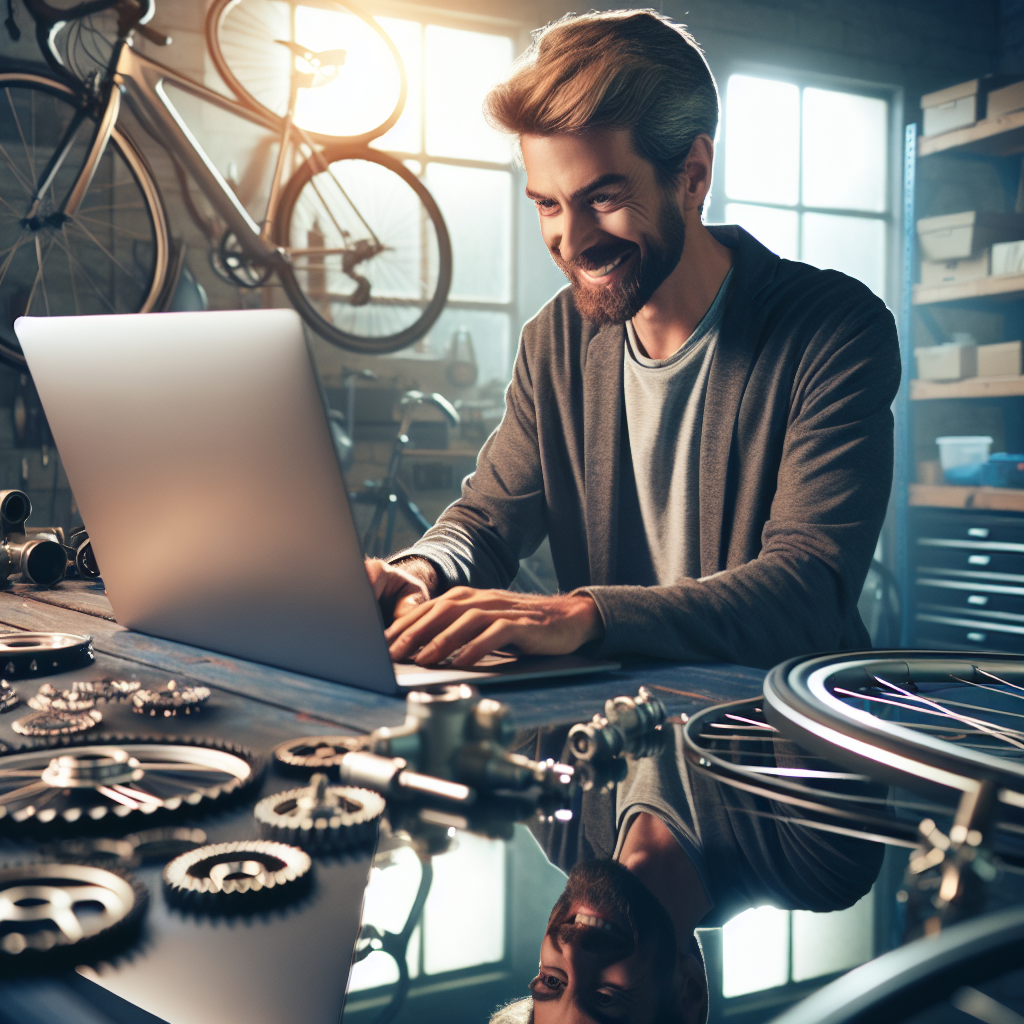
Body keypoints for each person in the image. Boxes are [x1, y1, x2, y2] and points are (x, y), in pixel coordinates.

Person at [365, 9, 900, 671]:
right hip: (603, 756)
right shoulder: (554, 342)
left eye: (603, 197)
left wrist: (584, 614)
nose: (571, 240)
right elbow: (487, 520)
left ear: (693, 176)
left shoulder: (835, 330)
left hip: (767, 760)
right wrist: (420, 569)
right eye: (548, 204)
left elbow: (807, 590)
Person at [490, 722, 886, 1024]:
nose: (573, 952)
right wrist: (593, 618)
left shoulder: (550, 814)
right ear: (687, 993)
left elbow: (494, 647)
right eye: (606, 997)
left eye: (553, 982)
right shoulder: (818, 863)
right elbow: (804, 629)